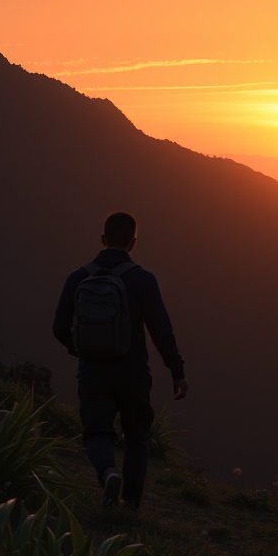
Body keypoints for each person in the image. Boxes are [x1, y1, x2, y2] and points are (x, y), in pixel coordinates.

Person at [53, 211, 188, 508]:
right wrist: (176, 369)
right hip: (133, 371)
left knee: (96, 432)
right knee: (137, 437)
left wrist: (83, 349)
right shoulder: (143, 280)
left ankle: (108, 472)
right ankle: (130, 504)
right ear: (133, 242)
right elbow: (161, 330)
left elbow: (59, 327)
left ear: (102, 239)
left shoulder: (78, 277)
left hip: (92, 372)